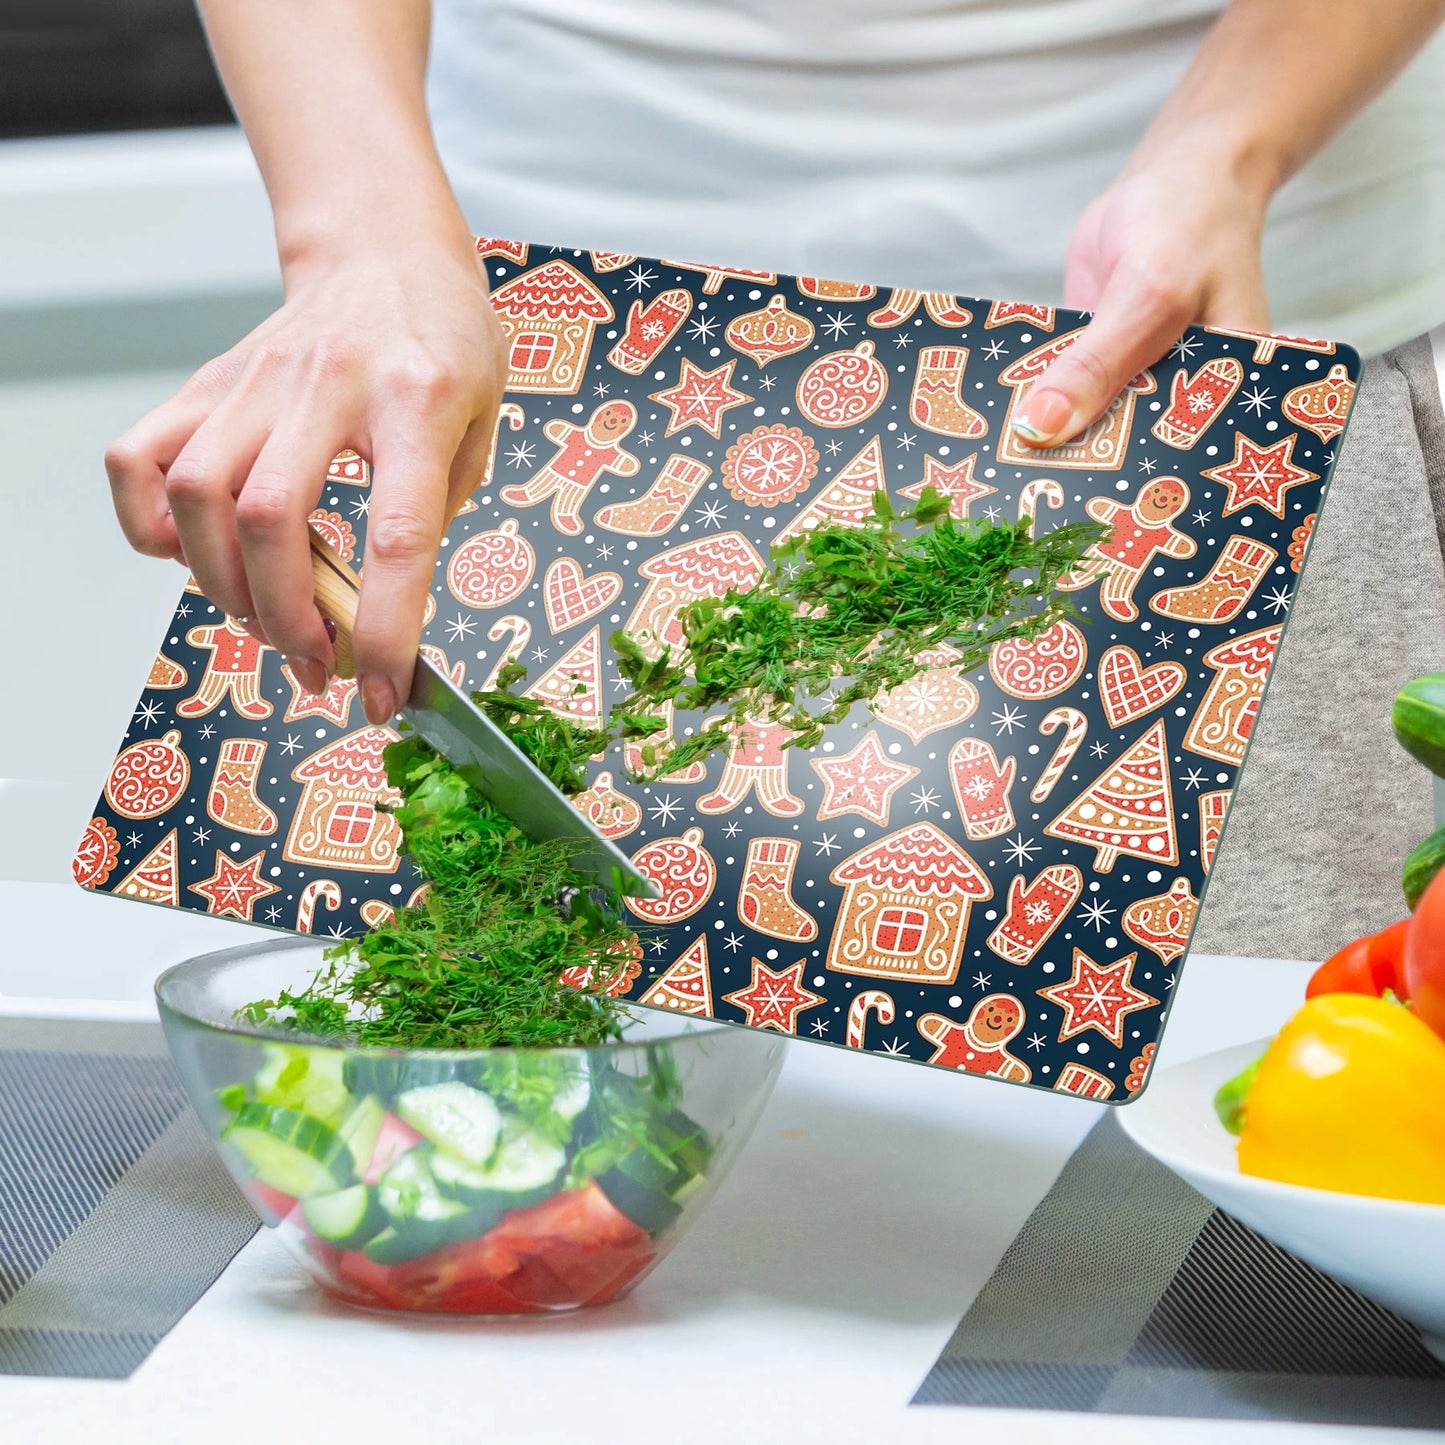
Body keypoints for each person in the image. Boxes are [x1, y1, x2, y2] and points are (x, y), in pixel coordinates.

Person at [104, 0, 1445, 735]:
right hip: (517, 380)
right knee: (475, 1148)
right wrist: (357, 237)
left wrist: (1233, 148)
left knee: (1249, 1147)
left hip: (1219, 351)